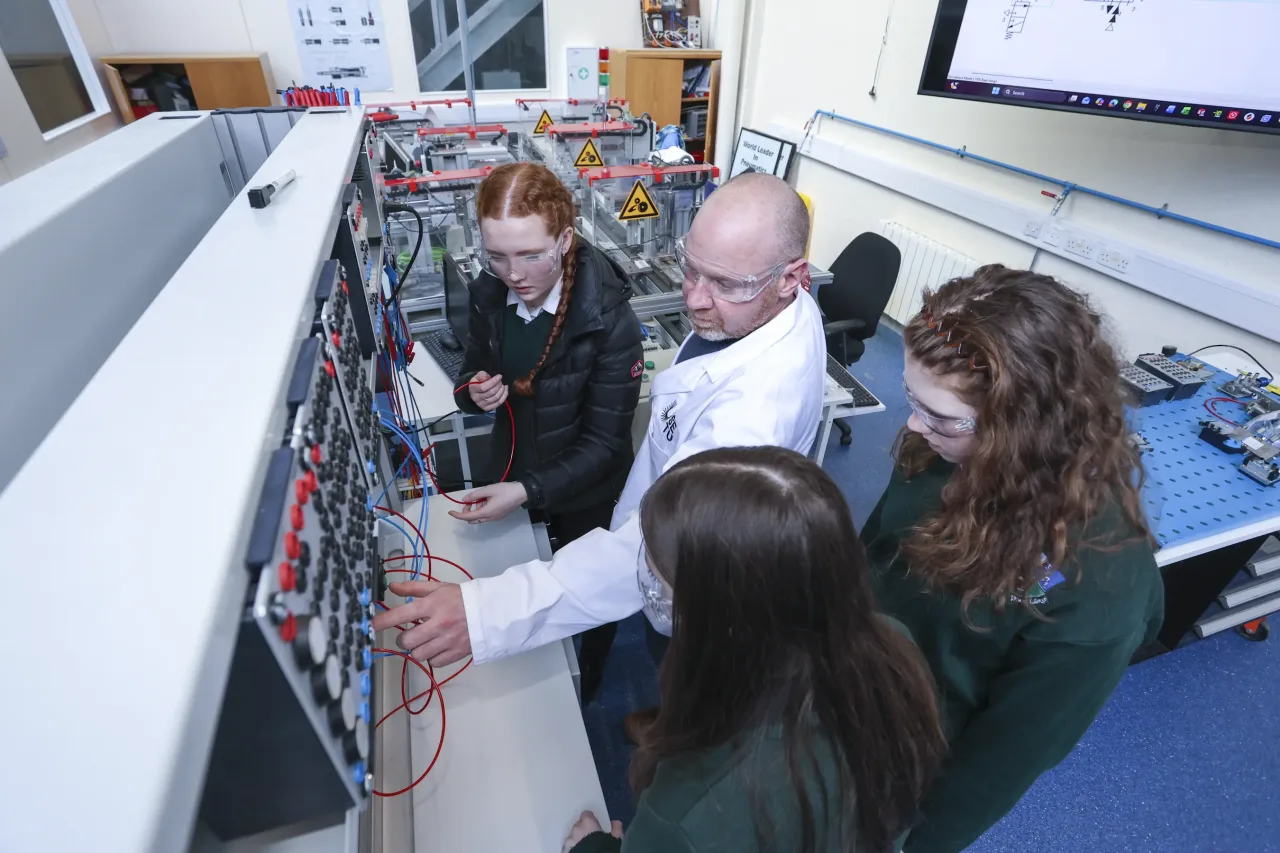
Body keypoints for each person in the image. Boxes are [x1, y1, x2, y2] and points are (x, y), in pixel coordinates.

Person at [372, 173, 827, 690]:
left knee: (690, 672)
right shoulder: (769, 308)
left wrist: (484, 613)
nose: (695, 300)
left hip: (691, 571)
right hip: (635, 508)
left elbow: (649, 549)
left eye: (725, 284)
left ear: (793, 277)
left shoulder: (754, 414)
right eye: (691, 269)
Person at [861, 265, 1165, 853]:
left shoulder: (1095, 595)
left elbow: (999, 766)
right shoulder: (938, 449)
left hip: (908, 756)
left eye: (942, 417)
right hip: (854, 682)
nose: (914, 427)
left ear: (1022, 428)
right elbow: (874, 551)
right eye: (912, 400)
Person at [561, 447, 948, 853]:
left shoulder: (693, 804)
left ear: (723, 612)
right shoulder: (893, 645)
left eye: (662, 583)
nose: (655, 592)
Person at [445, 163, 643, 701]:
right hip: (508, 468)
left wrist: (528, 490)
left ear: (565, 240)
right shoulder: (492, 294)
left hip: (584, 496)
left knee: (581, 602)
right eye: (498, 256)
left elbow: (604, 446)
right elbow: (471, 368)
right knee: (509, 595)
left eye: (531, 254)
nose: (513, 273)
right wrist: (475, 390)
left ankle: (590, 686)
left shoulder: (610, 323)